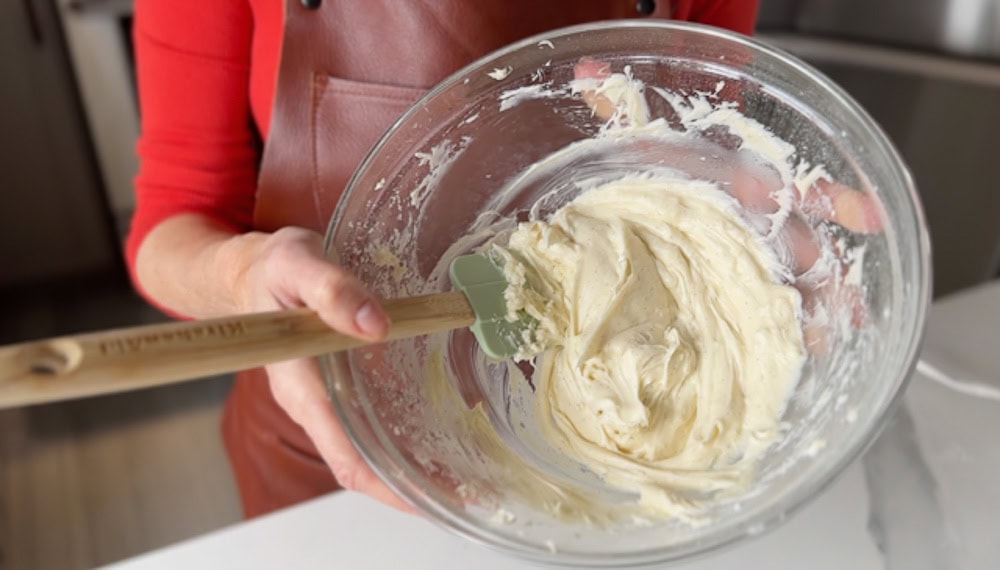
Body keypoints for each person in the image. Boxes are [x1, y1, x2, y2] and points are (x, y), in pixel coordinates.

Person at [127, 0, 877, 519]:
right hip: (332, 444)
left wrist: (705, 174)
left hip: (613, 483)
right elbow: (169, 227)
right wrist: (240, 275)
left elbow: (683, 141)